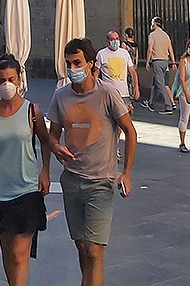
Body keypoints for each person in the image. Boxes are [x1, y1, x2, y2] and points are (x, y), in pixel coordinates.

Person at [0, 57, 74, 286]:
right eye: (2, 80)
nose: (7, 84)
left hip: (27, 191)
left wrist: (45, 171)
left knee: (19, 254)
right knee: (7, 254)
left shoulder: (32, 110)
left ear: (19, 79)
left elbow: (45, 140)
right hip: (0, 193)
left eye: (11, 79)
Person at [45, 38, 137, 286]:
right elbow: (52, 135)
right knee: (82, 247)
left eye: (77, 62)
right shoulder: (60, 96)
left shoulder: (107, 94)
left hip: (101, 182)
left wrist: (126, 173)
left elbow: (130, 131)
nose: (72, 68)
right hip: (72, 180)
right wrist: (56, 147)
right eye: (68, 63)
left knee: (95, 251)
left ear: (90, 63)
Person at [95, 30, 140, 115]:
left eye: (116, 39)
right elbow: (96, 73)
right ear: (108, 41)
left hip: (123, 93)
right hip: (108, 93)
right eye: (112, 39)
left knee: (126, 117)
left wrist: (136, 87)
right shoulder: (101, 54)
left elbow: (133, 71)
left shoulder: (124, 53)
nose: (115, 41)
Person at [145, 17, 176, 114]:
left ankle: (168, 105)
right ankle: (151, 102)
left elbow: (150, 49)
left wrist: (147, 61)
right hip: (165, 61)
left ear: (154, 24)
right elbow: (170, 49)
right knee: (157, 82)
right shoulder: (166, 35)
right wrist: (173, 62)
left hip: (157, 61)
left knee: (160, 84)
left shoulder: (152, 35)